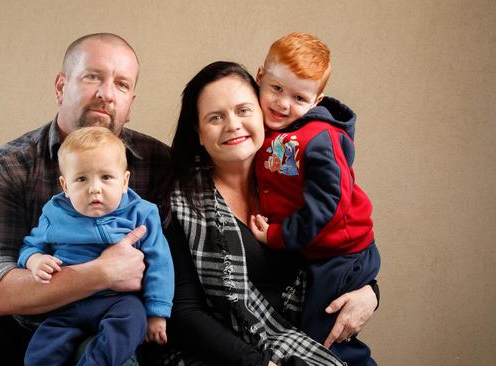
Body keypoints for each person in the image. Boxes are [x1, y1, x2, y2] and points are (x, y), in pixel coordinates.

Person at [0, 33, 171, 365]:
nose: (106, 94)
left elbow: (171, 264)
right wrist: (100, 272)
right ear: (60, 87)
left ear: (131, 102)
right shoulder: (8, 165)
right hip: (27, 324)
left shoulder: (160, 164)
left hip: (115, 321)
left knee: (112, 352)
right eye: (92, 77)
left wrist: (155, 310)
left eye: (122, 85)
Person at [161, 61, 379, 366]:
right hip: (235, 358)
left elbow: (341, 247)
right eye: (215, 117)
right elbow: (184, 314)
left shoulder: (299, 181)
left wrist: (370, 293)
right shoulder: (182, 205)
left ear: (263, 114)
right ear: (198, 131)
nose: (233, 124)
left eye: (243, 110)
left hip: (315, 343)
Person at [249, 32, 380, 365]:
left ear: (317, 101)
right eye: (276, 89)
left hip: (343, 253)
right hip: (320, 251)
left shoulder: (319, 138)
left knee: (325, 338)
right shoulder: (269, 131)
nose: (282, 104)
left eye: (298, 98)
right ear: (260, 76)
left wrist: (277, 234)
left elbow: (329, 208)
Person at [18, 126, 173, 365]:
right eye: (81, 179)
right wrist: (35, 260)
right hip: (68, 300)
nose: (94, 188)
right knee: (43, 346)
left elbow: (160, 263)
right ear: (65, 186)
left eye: (106, 177)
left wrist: (157, 313)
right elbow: (30, 246)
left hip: (119, 299)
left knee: (131, 321)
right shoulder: (54, 213)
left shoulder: (141, 213)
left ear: (124, 181)